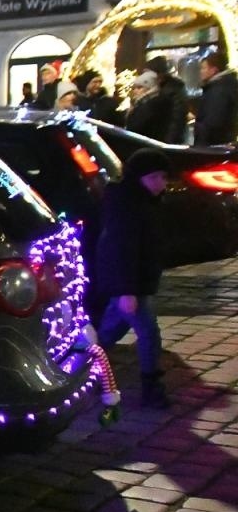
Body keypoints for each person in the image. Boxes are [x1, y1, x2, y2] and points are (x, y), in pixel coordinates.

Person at [94, 149, 171, 408]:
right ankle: (152, 386)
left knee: (110, 331)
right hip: (129, 283)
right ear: (139, 178)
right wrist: (126, 290)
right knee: (149, 333)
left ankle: (88, 369)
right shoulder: (126, 206)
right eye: (155, 177)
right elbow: (122, 248)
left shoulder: (146, 203)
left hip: (137, 281)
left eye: (163, 177)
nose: (162, 183)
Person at [194, 50, 236, 146]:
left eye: (203, 68)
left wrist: (199, 129)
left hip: (213, 146)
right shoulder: (223, 85)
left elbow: (213, 123)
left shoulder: (219, 90)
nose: (201, 72)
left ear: (213, 70)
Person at [144, 56, 190, 144]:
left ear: (159, 74)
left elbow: (176, 120)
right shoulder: (157, 88)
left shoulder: (173, 90)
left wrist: (168, 142)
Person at [125, 71, 174, 142]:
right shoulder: (141, 103)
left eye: (139, 87)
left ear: (149, 88)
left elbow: (136, 127)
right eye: (134, 88)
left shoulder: (152, 105)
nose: (135, 91)